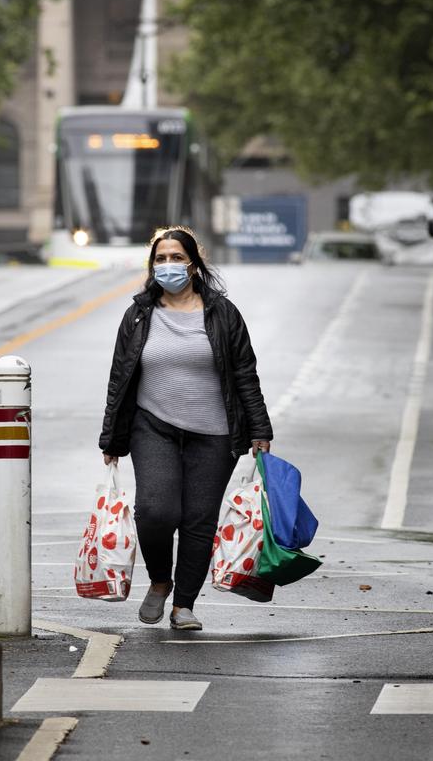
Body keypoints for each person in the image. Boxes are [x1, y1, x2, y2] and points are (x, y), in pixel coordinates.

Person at [100, 226, 272, 631]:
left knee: (199, 519)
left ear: (194, 264)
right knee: (155, 512)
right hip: (152, 426)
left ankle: (184, 606)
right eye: (160, 259)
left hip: (214, 434)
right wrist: (111, 436)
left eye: (176, 258)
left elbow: (245, 374)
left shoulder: (223, 314)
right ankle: (160, 580)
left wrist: (259, 428)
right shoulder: (139, 314)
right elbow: (119, 377)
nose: (168, 266)